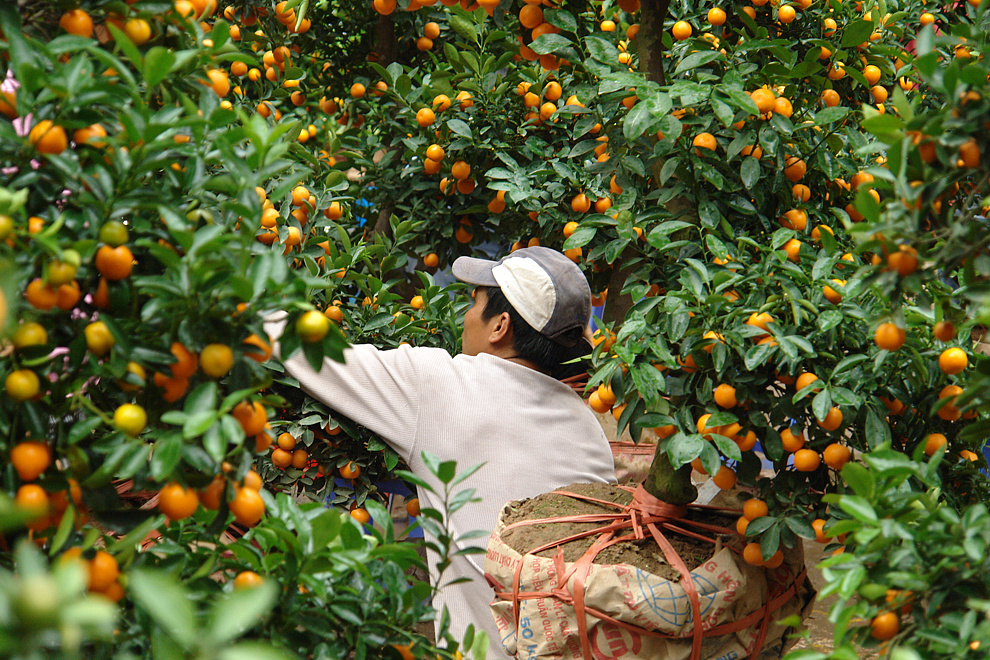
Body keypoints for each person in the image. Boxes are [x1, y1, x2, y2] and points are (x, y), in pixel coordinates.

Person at [264, 246, 616, 658]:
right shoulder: (589, 429)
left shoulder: (441, 387)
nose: (466, 317)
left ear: (500, 326)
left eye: (474, 303)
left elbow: (309, 351)